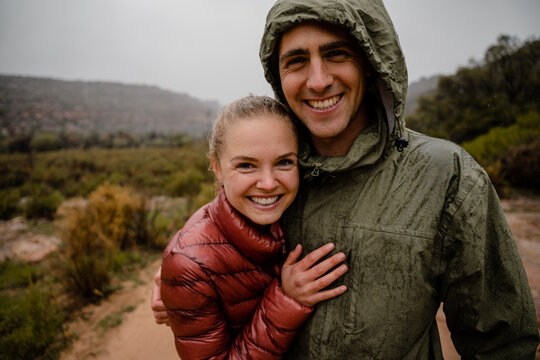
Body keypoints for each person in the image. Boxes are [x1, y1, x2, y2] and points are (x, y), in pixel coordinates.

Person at [154, 0, 539, 358]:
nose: (318, 81)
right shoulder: (277, 172)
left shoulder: (446, 176)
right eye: (297, 60)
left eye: (337, 54)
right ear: (279, 75)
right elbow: (221, 234)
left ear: (370, 62)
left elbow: (501, 344)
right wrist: (179, 280)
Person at [158, 95, 348, 360]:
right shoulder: (189, 265)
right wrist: (286, 300)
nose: (269, 183)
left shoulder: (298, 206)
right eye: (247, 165)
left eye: (284, 162)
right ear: (217, 167)